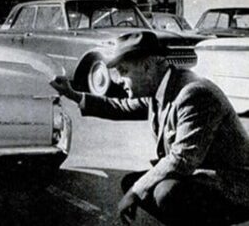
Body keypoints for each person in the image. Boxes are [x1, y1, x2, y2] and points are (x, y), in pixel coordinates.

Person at [50, 31, 249, 225]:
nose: (119, 81)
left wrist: (136, 191)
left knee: (165, 191)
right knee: (136, 182)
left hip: (234, 188)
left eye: (124, 71)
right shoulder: (161, 87)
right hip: (201, 177)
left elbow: (182, 160)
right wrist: (73, 94)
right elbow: (120, 107)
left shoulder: (194, 94)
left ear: (147, 67)